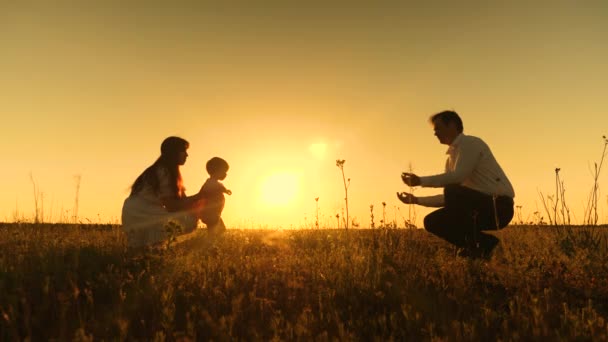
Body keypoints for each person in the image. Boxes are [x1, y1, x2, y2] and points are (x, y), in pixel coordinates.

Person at [397, 110, 515, 258]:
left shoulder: (471, 143)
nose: (435, 133)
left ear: (452, 125)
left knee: (453, 190)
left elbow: (456, 180)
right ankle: (482, 245)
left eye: (438, 128)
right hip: (476, 207)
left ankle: (477, 246)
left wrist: (420, 181)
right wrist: (416, 200)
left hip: (498, 208)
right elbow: (449, 195)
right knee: (432, 221)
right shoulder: (451, 159)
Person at [121, 136, 205, 248]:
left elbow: (183, 201)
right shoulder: (164, 172)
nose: (187, 155)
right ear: (174, 153)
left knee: (146, 251)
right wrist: (200, 196)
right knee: (189, 221)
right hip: (142, 213)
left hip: (135, 212)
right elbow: (172, 206)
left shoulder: (163, 170)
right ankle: (207, 239)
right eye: (183, 151)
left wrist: (200, 198)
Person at [199, 157, 232, 234]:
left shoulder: (214, 183)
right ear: (216, 171)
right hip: (210, 213)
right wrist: (224, 190)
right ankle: (210, 243)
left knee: (218, 230)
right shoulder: (210, 183)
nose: (225, 174)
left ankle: (211, 242)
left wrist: (226, 190)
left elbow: (220, 187)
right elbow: (203, 193)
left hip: (215, 213)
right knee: (216, 230)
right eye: (224, 172)